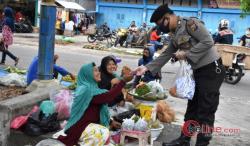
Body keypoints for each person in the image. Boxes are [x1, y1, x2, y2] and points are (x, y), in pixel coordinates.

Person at [134, 4, 225, 146]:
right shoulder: (175, 33)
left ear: (167, 18)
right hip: (197, 72)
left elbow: (208, 41)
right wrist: (146, 68)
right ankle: (184, 141)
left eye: (160, 24)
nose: (160, 29)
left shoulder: (190, 23)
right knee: (192, 110)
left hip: (211, 70)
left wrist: (186, 54)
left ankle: (202, 143)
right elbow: (166, 54)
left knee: (206, 111)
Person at [57, 62, 133, 146]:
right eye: (95, 71)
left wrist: (111, 121)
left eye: (98, 70)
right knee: (102, 132)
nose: (99, 72)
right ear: (88, 74)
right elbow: (107, 97)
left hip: (87, 125)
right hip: (79, 127)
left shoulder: (92, 88)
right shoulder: (85, 90)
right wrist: (123, 81)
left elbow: (99, 105)